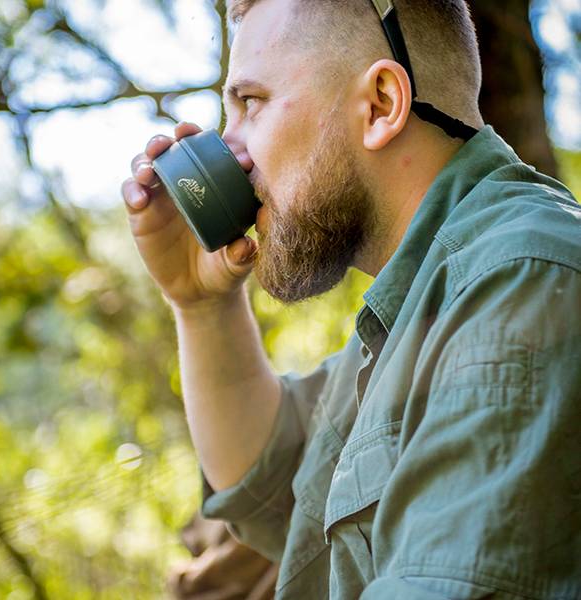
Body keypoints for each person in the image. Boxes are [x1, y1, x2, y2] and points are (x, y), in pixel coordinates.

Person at [121, 0, 581, 597]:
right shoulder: (419, 304)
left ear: (381, 105)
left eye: (251, 104)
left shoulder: (520, 282)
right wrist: (202, 307)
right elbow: (274, 487)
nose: (229, 152)